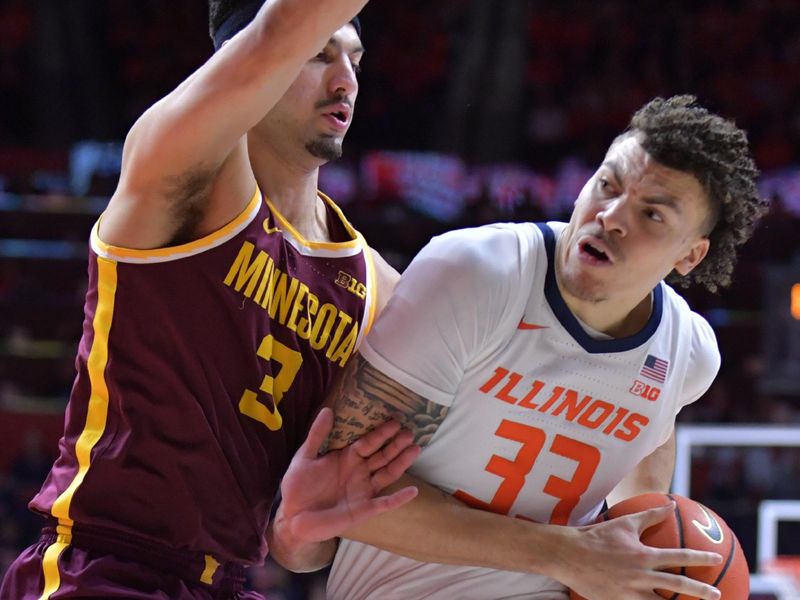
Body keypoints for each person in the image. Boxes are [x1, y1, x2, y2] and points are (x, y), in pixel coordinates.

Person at [0, 1, 422, 598]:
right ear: (245, 57)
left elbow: (301, 538)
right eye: (319, 54)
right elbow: (274, 33)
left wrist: (301, 535)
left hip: (230, 584)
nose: (346, 78)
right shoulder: (184, 166)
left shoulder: (379, 287)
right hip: (104, 567)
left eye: (355, 58)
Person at [324, 95, 766, 600]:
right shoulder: (477, 275)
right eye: (608, 184)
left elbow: (640, 499)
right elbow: (341, 493)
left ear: (691, 254)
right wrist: (566, 554)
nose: (612, 216)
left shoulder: (687, 355)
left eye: (653, 214)